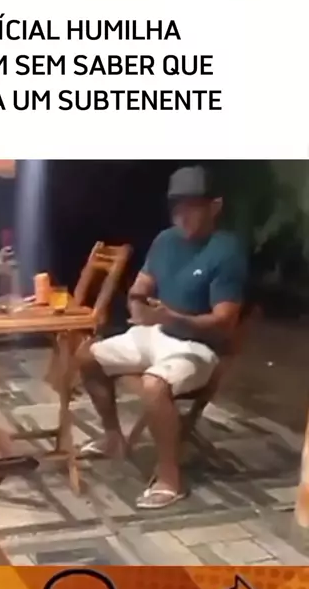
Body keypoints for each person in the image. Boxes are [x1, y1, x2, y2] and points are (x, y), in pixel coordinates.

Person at [78, 165, 247, 509]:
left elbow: (225, 321)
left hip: (199, 347)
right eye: (177, 207)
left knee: (155, 386)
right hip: (157, 332)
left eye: (192, 206)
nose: (182, 215)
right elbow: (141, 287)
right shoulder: (165, 241)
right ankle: (113, 437)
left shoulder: (226, 251)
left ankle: (171, 478)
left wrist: (174, 317)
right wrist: (138, 305)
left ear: (214, 206)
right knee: (86, 355)